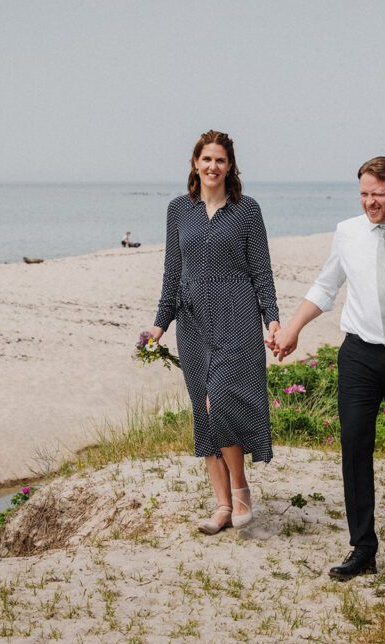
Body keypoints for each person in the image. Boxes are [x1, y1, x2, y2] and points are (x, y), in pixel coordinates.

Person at [273, 156, 385, 579]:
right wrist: (294, 329)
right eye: (363, 194)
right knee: (355, 443)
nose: (369, 203)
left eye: (378, 194)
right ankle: (363, 548)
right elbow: (326, 285)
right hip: (359, 354)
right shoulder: (347, 232)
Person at [149, 130, 281, 534]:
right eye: (206, 159)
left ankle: (240, 485)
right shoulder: (178, 210)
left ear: (230, 167)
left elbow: (261, 270)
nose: (212, 166)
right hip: (192, 323)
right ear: (195, 163)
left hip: (237, 314)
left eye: (220, 160)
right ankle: (222, 506)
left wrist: (271, 317)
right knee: (202, 414)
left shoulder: (247, 210)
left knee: (220, 401)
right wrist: (159, 323)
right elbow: (173, 272)